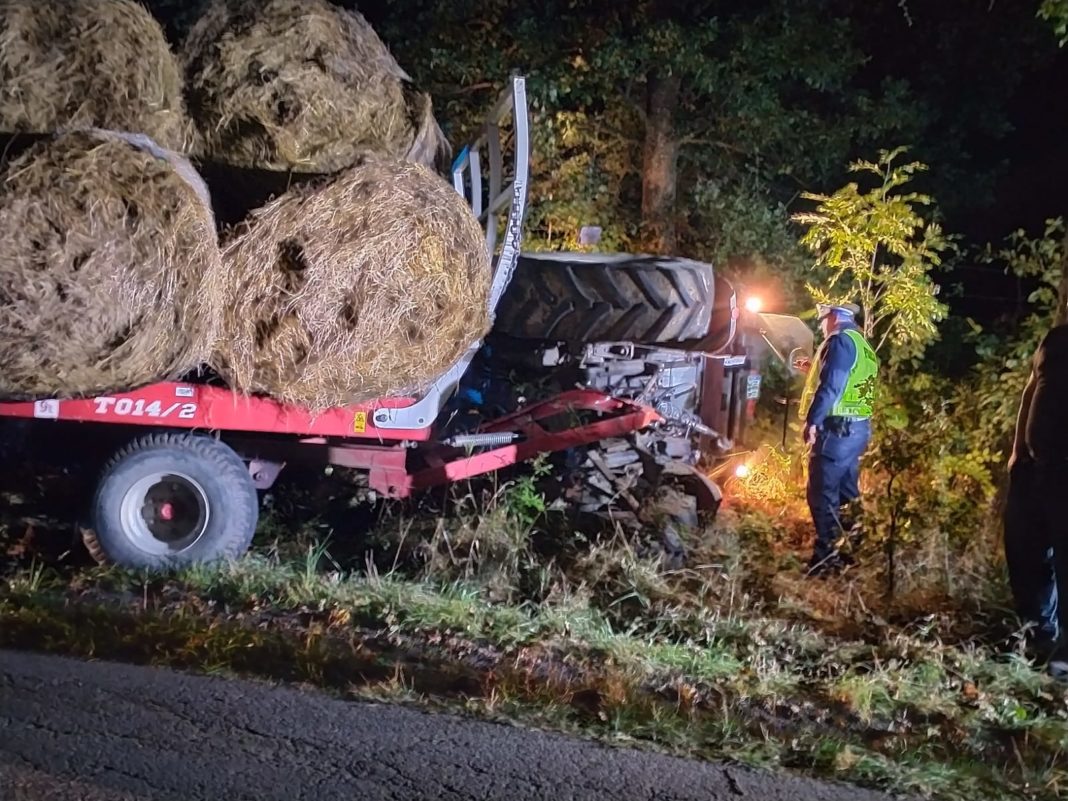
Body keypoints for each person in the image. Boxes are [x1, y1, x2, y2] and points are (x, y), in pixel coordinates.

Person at [1003, 323, 1068, 676]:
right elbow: (1031, 389)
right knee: (1024, 552)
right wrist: (1017, 452)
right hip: (1033, 468)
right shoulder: (1056, 338)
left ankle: (1062, 663)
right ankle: (1038, 639)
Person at [796, 303, 879, 575]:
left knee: (822, 494)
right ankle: (853, 551)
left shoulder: (840, 341)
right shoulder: (861, 344)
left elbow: (833, 386)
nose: (822, 327)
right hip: (857, 429)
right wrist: (813, 368)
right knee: (847, 493)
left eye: (823, 321)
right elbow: (847, 381)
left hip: (837, 432)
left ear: (832, 318)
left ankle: (825, 561)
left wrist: (813, 421)